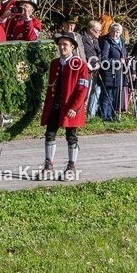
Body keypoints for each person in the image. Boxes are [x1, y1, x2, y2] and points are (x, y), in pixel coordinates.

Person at [40, 32, 90, 181]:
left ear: (72, 47)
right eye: (60, 44)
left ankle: (71, 167)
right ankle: (49, 166)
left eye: (65, 45)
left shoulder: (79, 64)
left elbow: (82, 89)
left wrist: (74, 107)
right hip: (55, 105)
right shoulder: (55, 63)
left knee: (71, 136)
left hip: (70, 107)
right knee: (50, 134)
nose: (62, 47)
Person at [98, 23, 127, 122]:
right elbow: (104, 59)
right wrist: (118, 61)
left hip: (118, 73)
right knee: (107, 95)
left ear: (120, 33)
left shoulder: (121, 42)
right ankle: (104, 116)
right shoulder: (107, 42)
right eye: (113, 31)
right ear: (109, 31)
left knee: (114, 96)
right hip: (108, 72)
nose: (115, 34)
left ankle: (111, 115)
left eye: (117, 32)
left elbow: (123, 56)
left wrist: (126, 60)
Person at [81, 20, 103, 117]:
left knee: (88, 94)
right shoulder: (82, 38)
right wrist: (86, 63)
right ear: (91, 30)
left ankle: (84, 116)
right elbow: (82, 53)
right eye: (98, 30)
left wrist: (98, 63)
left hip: (93, 70)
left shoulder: (95, 40)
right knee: (83, 93)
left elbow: (99, 53)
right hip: (84, 69)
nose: (100, 32)